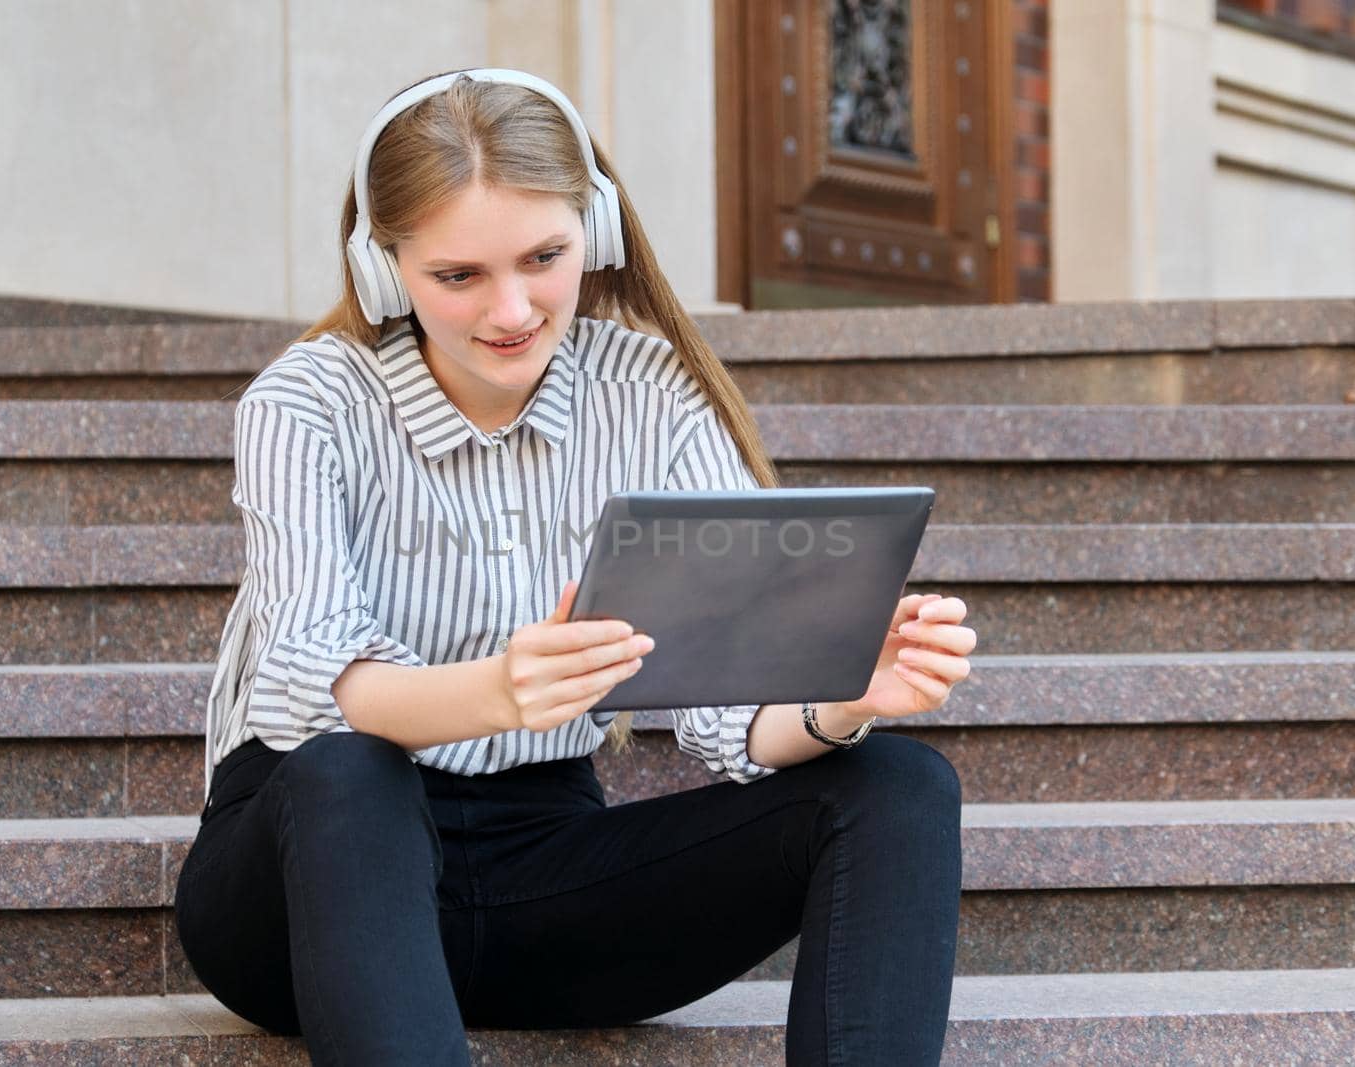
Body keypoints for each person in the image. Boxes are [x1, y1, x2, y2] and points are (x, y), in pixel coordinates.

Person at [173, 67, 975, 1066]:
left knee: (895, 783)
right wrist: (494, 691)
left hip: (538, 869)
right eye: (456, 276)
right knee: (347, 767)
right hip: (303, 883)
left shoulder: (651, 393)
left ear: (591, 232)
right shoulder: (308, 402)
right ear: (383, 271)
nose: (510, 309)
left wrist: (840, 694)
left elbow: (731, 718)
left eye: (543, 257)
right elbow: (301, 691)